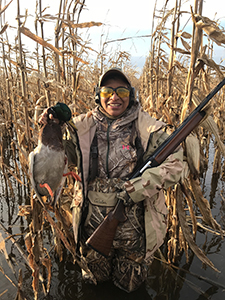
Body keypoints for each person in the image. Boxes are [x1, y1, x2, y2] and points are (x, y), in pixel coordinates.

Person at [39, 68, 183, 293]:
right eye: (107, 92)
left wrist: (138, 188)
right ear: (98, 95)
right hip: (91, 225)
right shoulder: (82, 127)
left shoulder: (149, 129)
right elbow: (65, 159)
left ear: (131, 95)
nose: (114, 97)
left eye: (122, 91)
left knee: (131, 288)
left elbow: (175, 166)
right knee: (94, 287)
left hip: (136, 230)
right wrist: (53, 125)